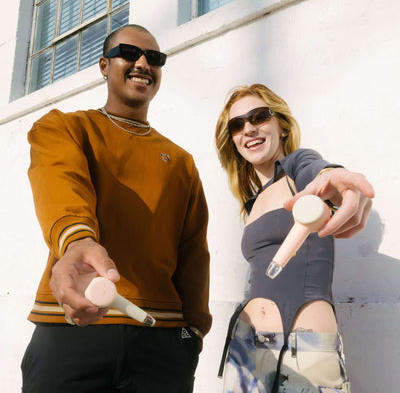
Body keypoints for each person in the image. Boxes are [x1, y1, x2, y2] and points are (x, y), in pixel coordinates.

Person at [21, 24, 211, 393]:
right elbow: (62, 183)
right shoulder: (65, 127)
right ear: (104, 65)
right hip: (72, 328)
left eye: (154, 58)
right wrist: (77, 241)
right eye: (129, 53)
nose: (143, 63)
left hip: (163, 340)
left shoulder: (182, 162)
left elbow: (194, 252)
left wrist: (195, 331)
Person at [215, 84, 374, 393]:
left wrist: (332, 176)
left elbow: (317, 170)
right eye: (237, 125)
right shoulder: (250, 203)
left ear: (282, 126)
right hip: (248, 346)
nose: (248, 129)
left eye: (259, 117)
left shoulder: (299, 176)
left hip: (306, 349)